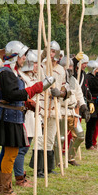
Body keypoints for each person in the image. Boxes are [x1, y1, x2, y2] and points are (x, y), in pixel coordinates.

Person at [0, 40, 55, 195]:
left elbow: (15, 94)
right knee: (10, 154)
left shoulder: (12, 72)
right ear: (15, 56)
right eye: (23, 56)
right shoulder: (6, 72)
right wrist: (36, 89)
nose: (25, 58)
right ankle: (5, 188)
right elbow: (11, 95)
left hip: (12, 116)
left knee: (6, 153)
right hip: (8, 118)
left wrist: (27, 102)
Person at [30, 40, 66, 178]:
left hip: (54, 106)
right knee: (39, 137)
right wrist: (42, 54)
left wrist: (60, 92)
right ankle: (38, 168)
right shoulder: (41, 66)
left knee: (50, 138)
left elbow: (64, 87)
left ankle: (48, 167)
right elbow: (35, 64)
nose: (52, 54)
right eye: (50, 51)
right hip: (41, 104)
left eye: (53, 51)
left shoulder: (61, 70)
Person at [13, 50, 43, 188]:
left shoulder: (32, 77)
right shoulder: (21, 78)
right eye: (35, 63)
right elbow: (23, 96)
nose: (37, 65)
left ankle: (21, 174)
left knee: (25, 148)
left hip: (33, 116)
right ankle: (19, 178)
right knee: (22, 149)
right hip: (25, 116)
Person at [58, 56, 90, 166]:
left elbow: (79, 95)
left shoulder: (73, 80)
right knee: (61, 138)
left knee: (80, 135)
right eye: (68, 66)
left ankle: (70, 157)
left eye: (71, 66)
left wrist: (84, 108)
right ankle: (58, 161)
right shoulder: (58, 79)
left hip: (73, 111)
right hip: (61, 111)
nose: (70, 68)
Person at [85, 60, 98, 150]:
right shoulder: (88, 77)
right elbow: (95, 85)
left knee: (97, 124)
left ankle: (94, 141)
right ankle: (89, 144)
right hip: (91, 103)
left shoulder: (97, 77)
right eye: (97, 70)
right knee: (91, 124)